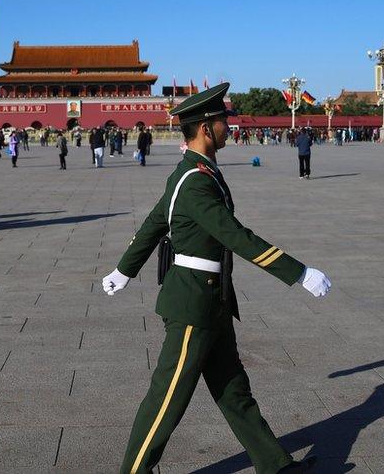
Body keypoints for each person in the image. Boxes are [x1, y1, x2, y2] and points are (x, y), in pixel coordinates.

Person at [101, 83, 328, 474]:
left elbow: (156, 222)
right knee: (167, 399)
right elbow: (235, 235)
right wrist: (298, 272)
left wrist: (124, 270)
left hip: (213, 300)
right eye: (223, 121)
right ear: (206, 127)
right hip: (193, 304)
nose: (229, 126)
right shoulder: (195, 181)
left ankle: (276, 466)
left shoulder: (193, 171)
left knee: (233, 391)